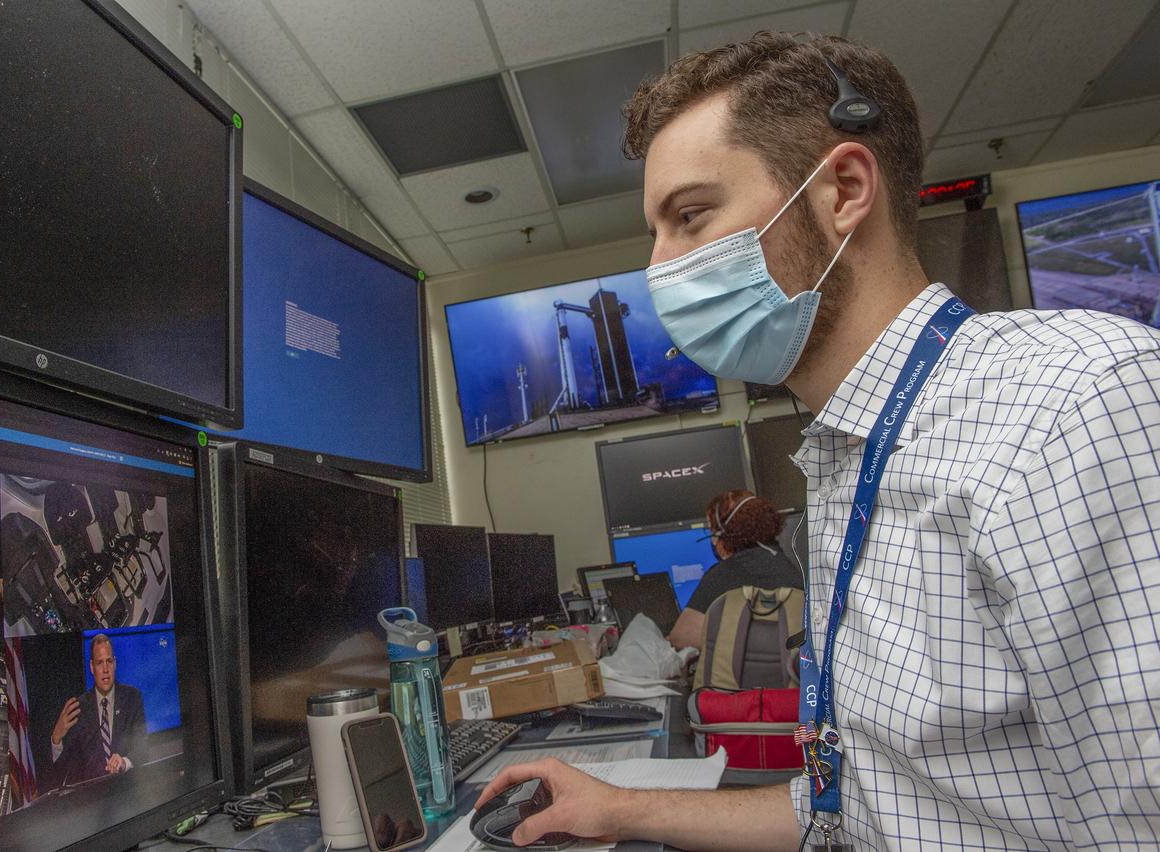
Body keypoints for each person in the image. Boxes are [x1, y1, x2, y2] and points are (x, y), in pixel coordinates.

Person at [477, 31, 1160, 850]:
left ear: (841, 188)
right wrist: (619, 807)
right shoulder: (847, 459)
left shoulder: (1076, 404)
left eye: (690, 216)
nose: (658, 268)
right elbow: (860, 810)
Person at [669, 490, 803, 651]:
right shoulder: (788, 567)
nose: (712, 539)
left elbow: (682, 639)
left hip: (737, 673)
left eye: (712, 531)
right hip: (793, 672)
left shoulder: (725, 574)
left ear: (726, 532)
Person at [50, 633, 146, 786]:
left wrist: (124, 762)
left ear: (115, 664)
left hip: (127, 793)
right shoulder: (79, 708)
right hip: (92, 800)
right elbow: (65, 768)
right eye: (100, 663)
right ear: (92, 667)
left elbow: (143, 748)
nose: (106, 669)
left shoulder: (132, 698)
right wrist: (56, 739)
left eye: (109, 661)